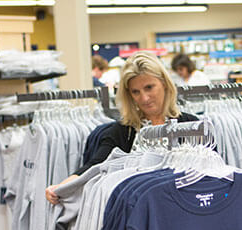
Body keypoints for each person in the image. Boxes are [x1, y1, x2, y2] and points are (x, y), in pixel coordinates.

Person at [45, 51, 197, 205]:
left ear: (164, 83)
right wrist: (61, 187)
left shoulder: (190, 125)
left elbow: (210, 170)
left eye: (149, 87)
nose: (144, 98)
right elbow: (95, 166)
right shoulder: (124, 131)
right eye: (135, 92)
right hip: (138, 213)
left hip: (184, 209)